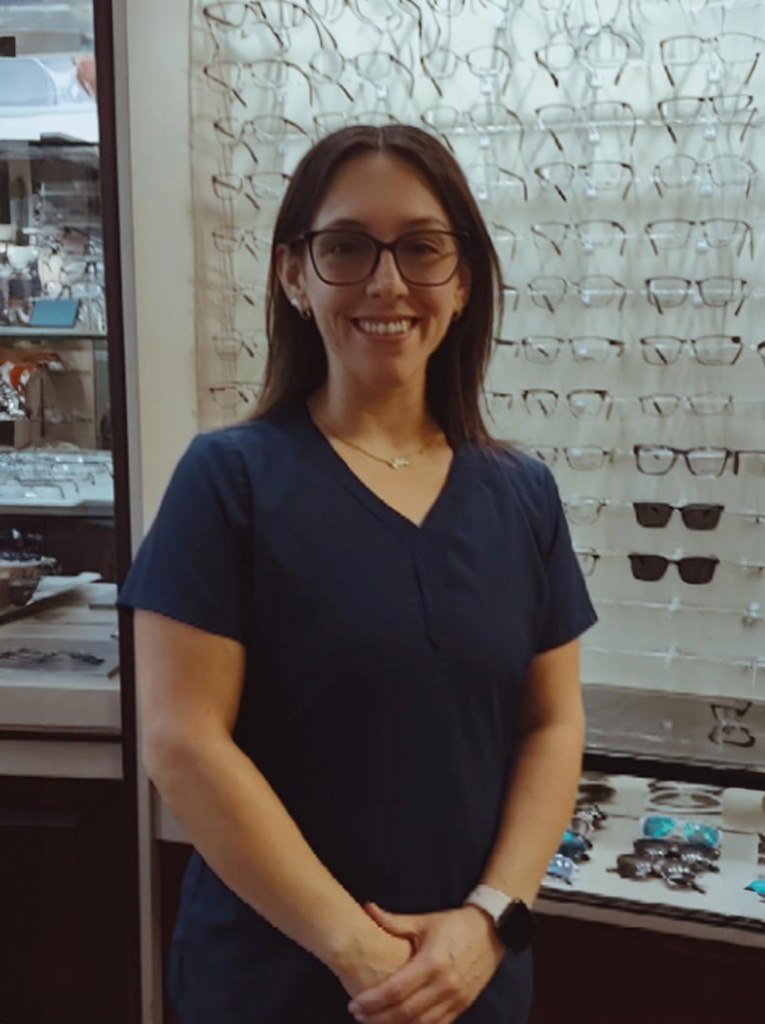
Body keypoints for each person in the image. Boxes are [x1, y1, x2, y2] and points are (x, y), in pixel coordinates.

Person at [118, 124, 597, 1024]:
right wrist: (360, 952)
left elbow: (552, 722)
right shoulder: (229, 481)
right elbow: (182, 740)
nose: (386, 283)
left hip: (470, 982)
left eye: (421, 247)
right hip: (280, 982)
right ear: (294, 275)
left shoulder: (521, 494)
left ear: (462, 281)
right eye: (345, 247)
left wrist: (488, 922)